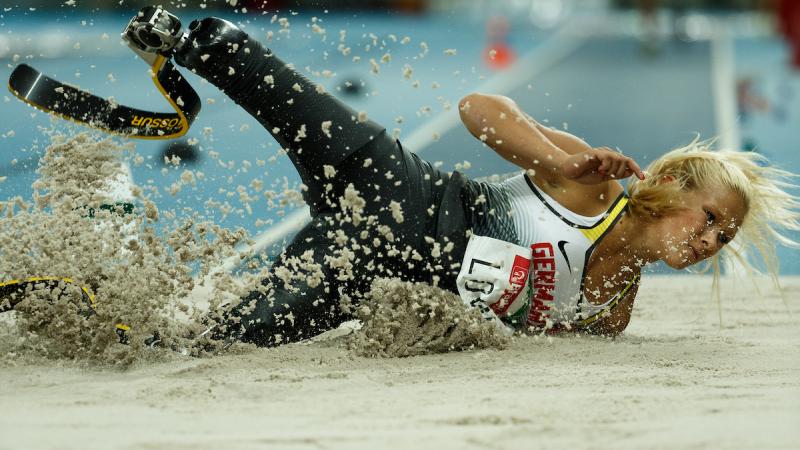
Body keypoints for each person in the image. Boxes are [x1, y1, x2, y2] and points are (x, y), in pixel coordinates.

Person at [172, 16, 798, 347]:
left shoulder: (612, 316)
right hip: (397, 189)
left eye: (725, 237)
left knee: (223, 340)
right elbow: (478, 108)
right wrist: (557, 163)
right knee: (272, 85)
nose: (712, 241)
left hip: (364, 274)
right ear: (670, 186)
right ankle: (172, 35)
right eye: (710, 217)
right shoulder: (592, 186)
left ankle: (108, 320)